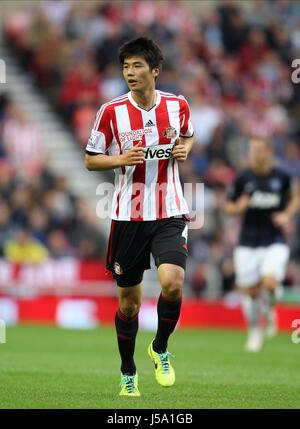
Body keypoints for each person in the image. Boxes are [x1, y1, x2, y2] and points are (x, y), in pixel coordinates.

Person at [84, 37, 194, 396]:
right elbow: (90, 158)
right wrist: (120, 159)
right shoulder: (111, 111)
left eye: (137, 66)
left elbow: (189, 137)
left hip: (170, 209)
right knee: (129, 304)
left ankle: (160, 347)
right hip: (128, 217)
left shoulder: (178, 105)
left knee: (173, 282)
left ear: (155, 71)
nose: (129, 73)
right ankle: (128, 371)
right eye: (126, 67)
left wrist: (183, 150)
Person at [224, 137, 299, 352]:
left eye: (258, 150)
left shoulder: (281, 177)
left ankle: (271, 308)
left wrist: (286, 215)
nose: (254, 154)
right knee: (251, 292)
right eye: (252, 151)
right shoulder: (243, 178)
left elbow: (295, 197)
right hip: (247, 242)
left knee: (269, 282)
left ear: (268, 152)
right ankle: (256, 330)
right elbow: (228, 206)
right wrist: (237, 208)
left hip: (274, 240)